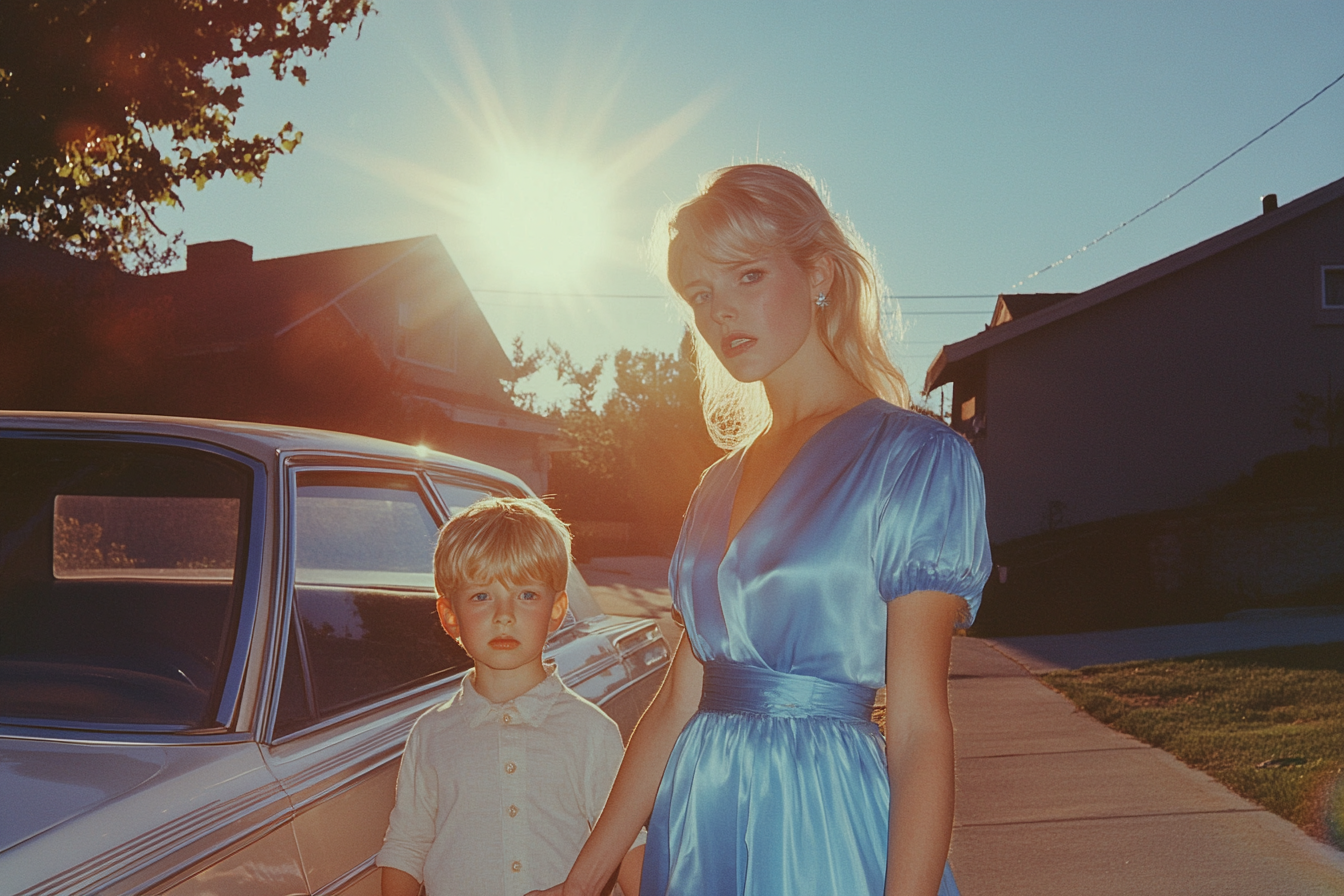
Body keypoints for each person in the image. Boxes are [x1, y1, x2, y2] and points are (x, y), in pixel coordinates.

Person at [530, 164, 992, 896]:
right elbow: (677, 705)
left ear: (820, 275)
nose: (720, 314)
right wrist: (576, 883)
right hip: (700, 831)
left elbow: (917, 730)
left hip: (821, 825)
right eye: (700, 294)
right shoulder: (715, 485)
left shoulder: (912, 459)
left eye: (747, 276)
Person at [378, 496, 643, 896]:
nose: (504, 614)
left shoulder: (590, 731)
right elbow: (406, 848)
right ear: (451, 616)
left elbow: (627, 846)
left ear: (557, 611)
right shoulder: (431, 734)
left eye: (526, 595)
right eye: (481, 596)